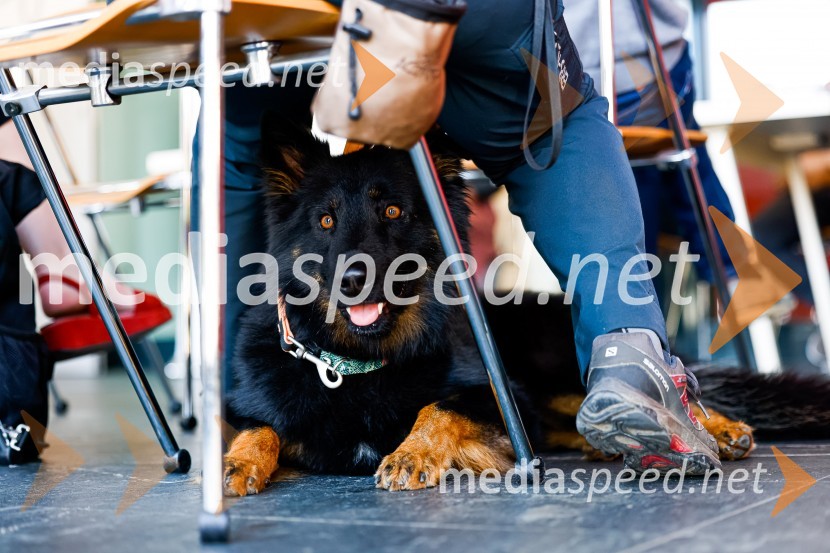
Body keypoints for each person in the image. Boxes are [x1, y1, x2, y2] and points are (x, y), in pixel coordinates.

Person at [194, 0, 721, 473]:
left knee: (238, 151)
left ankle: (232, 395)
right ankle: (627, 351)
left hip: (273, 25)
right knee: (549, 127)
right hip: (477, 16)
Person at [565, 0, 736, 286]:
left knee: (630, 191)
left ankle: (641, 306)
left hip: (573, 67)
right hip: (654, 53)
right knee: (681, 166)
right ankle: (732, 273)